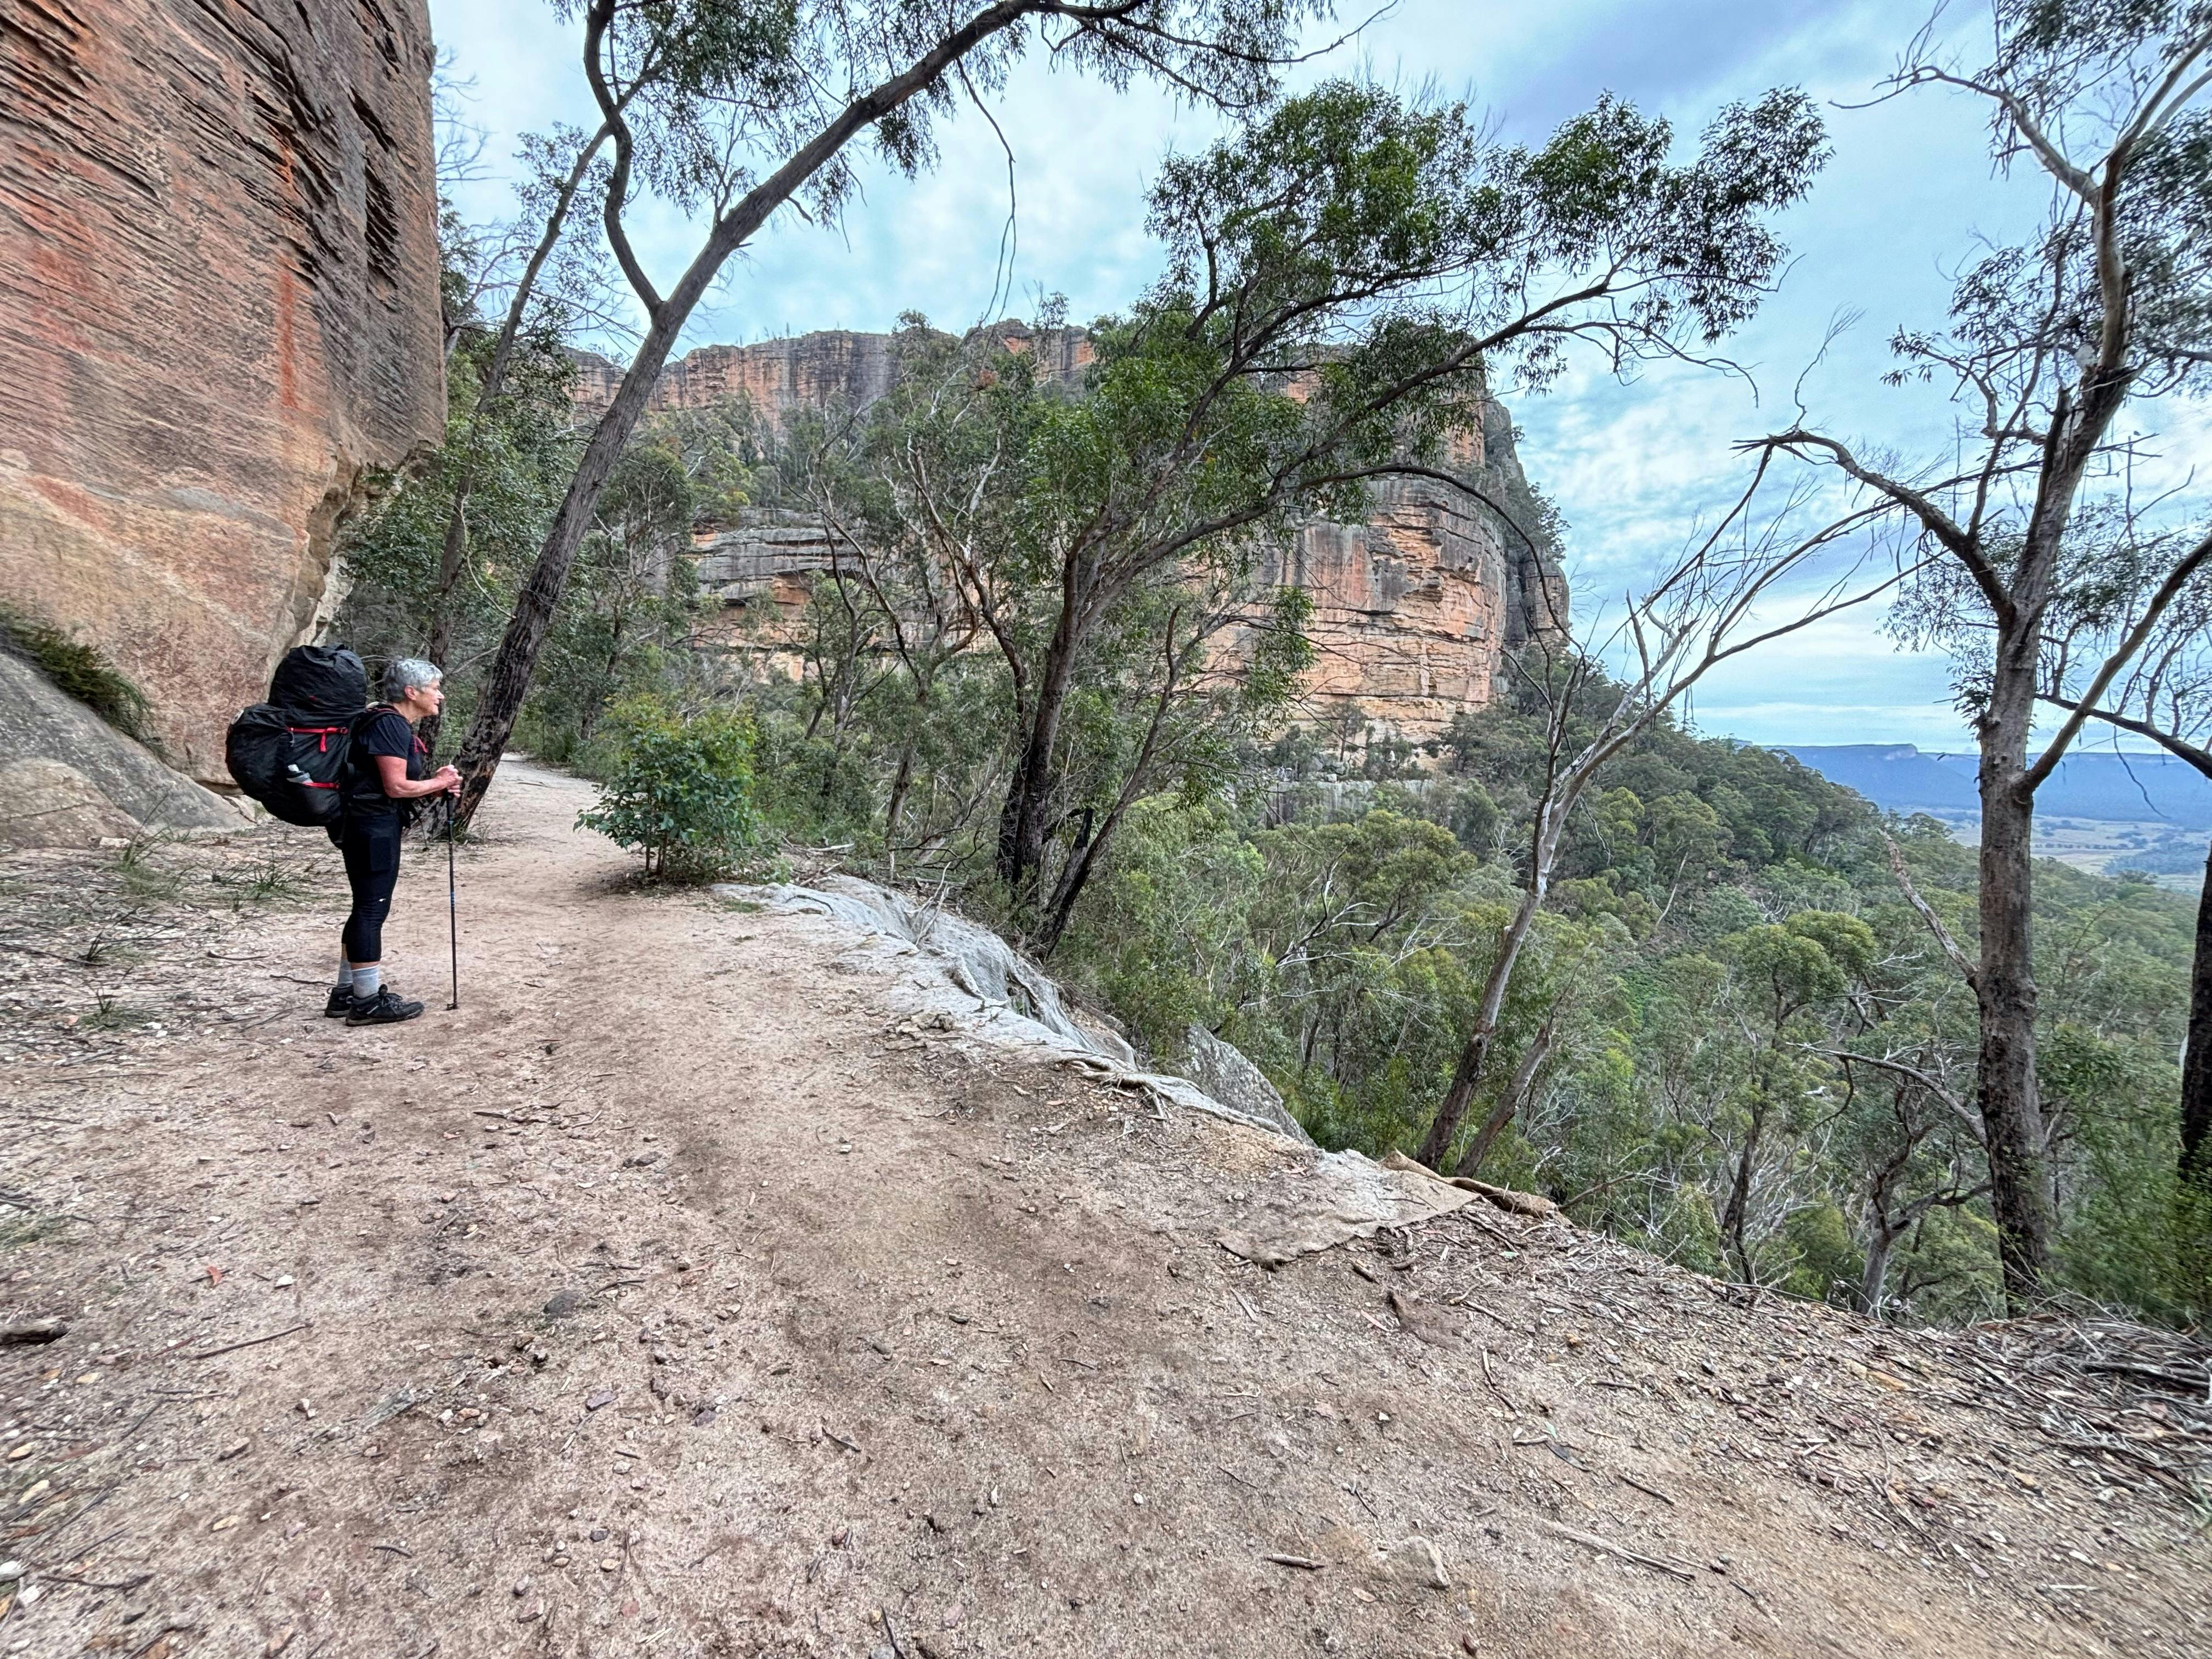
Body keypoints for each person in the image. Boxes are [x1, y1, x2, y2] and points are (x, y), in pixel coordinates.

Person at [329, 657, 460, 1026]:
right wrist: (442, 784)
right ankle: (366, 1002)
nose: (440, 695)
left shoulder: (384, 722)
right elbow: (396, 787)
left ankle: (346, 993)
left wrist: (434, 785)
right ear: (411, 692)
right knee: (372, 910)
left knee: (364, 908)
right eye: (435, 688)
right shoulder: (389, 724)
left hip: (366, 825)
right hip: (373, 829)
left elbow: (389, 787)